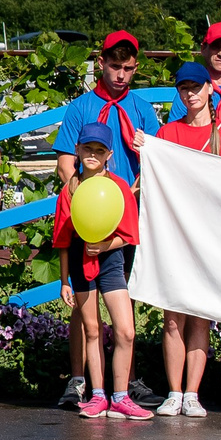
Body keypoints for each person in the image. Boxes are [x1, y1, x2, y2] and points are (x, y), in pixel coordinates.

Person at [49, 31, 167, 410]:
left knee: (123, 299)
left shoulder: (141, 109)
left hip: (128, 212)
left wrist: (131, 192)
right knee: (84, 310)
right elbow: (65, 159)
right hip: (87, 213)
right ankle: (80, 379)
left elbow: (157, 157)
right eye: (114, 66)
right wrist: (79, 194)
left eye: (128, 68)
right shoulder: (81, 107)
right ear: (101, 63)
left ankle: (126, 383)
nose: (121, 74)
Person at [151, 61, 221, 418]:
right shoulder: (168, 134)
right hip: (176, 234)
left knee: (200, 317)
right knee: (174, 317)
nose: (191, 94)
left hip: (212, 236)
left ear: (209, 89)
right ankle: (173, 392)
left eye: (197, 87)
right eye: (184, 88)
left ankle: (192, 393)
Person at [54, 123, 146, 419]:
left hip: (111, 261)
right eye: (87, 149)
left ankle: (120, 396)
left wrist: (105, 246)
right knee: (92, 330)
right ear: (77, 151)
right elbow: (64, 240)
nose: (92, 154)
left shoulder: (119, 187)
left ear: (109, 154)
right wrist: (63, 281)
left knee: (126, 331)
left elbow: (129, 234)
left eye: (99, 150)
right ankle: (97, 396)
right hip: (80, 264)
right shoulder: (69, 190)